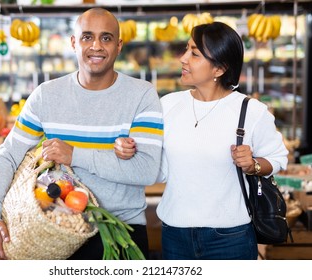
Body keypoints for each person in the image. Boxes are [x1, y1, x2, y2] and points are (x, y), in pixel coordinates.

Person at [0, 7, 163, 260]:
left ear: (119, 45)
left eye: (106, 38)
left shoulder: (141, 95)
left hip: (123, 234)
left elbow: (145, 170)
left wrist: (74, 155)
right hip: (58, 233)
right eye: (87, 37)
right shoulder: (47, 95)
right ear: (73, 43)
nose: (96, 46)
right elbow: (8, 156)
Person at [114, 21, 288, 260]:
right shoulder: (168, 105)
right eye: (186, 49)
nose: (183, 58)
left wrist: (253, 165)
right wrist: (132, 150)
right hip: (175, 234)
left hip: (231, 238)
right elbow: (160, 171)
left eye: (194, 54)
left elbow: (278, 158)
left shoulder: (251, 111)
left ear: (219, 69)